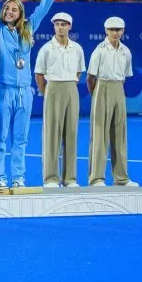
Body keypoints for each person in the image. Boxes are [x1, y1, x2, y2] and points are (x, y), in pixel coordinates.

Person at [0, 0, 62, 189]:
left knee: (20, 139)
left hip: (23, 93)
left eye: (14, 9)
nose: (10, 12)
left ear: (20, 13)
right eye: (7, 9)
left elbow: (43, 7)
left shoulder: (28, 29)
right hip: (1, 90)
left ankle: (18, 176)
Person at [35, 12, 86, 188]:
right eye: (57, 24)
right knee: (51, 135)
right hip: (53, 88)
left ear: (70, 26)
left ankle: (70, 178)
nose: (60, 27)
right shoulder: (46, 49)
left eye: (63, 24)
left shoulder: (77, 48)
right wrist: (47, 92)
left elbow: (79, 71)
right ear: (53, 26)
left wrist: (70, 81)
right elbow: (39, 74)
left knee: (71, 133)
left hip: (71, 88)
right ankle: (51, 178)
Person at [87, 17, 137, 187]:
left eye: (118, 30)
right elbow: (90, 77)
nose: (115, 33)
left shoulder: (126, 52)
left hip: (118, 88)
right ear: (106, 31)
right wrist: (96, 96)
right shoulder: (99, 51)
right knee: (100, 135)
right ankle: (96, 178)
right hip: (101, 87)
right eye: (112, 30)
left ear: (123, 31)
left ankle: (121, 178)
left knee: (120, 135)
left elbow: (126, 75)